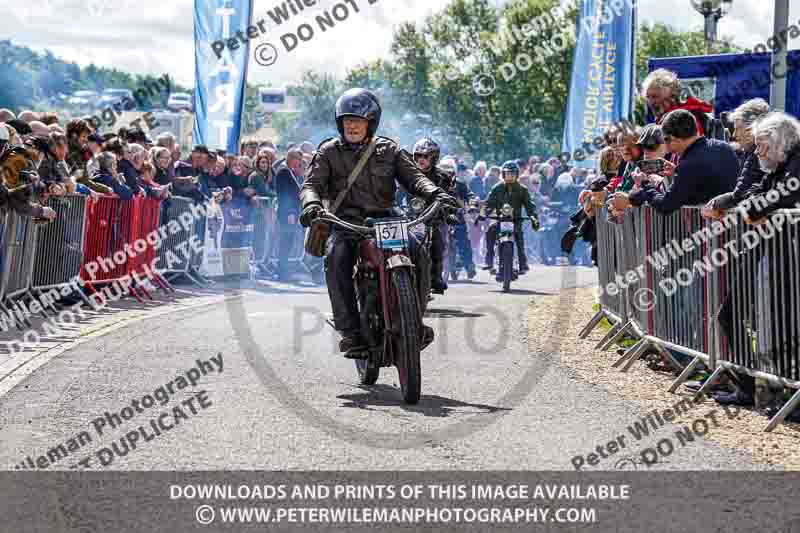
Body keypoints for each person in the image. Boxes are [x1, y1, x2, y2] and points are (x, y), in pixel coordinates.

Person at [298, 88, 457, 357]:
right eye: (347, 120)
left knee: (419, 248)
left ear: (371, 123)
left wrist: (435, 193)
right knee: (336, 256)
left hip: (387, 219)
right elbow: (310, 185)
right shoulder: (328, 152)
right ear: (340, 122)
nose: (352, 125)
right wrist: (311, 204)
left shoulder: (389, 149)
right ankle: (351, 332)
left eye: (358, 121)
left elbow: (415, 178)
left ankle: (413, 323)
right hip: (346, 222)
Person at [613, 109, 738, 214]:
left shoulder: (689, 164)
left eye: (665, 141)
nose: (667, 148)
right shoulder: (723, 147)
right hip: (733, 230)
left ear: (673, 138)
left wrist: (645, 183)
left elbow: (665, 205)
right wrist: (677, 171)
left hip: (709, 233)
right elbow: (702, 183)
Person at [482, 160, 539, 276]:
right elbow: (488, 203)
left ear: (517, 174)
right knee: (490, 232)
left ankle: (523, 264)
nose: (510, 175)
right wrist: (483, 213)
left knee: (519, 239)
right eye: (507, 173)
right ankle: (489, 261)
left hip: (515, 220)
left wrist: (533, 217)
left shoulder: (522, 189)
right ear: (503, 174)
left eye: (513, 173)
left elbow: (529, 205)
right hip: (500, 220)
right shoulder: (497, 188)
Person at [412, 137, 452, 294]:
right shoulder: (408, 174)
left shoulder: (443, 177)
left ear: (433, 158)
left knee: (438, 243)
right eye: (418, 156)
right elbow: (396, 193)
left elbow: (451, 196)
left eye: (425, 156)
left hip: (434, 218)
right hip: (411, 218)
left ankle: (436, 277)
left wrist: (451, 211)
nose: (421, 159)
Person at [274, 149, 304, 282]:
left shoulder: (289, 171)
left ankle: (284, 271)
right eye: (298, 158)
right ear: (292, 158)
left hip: (291, 212)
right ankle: (283, 272)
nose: (300, 162)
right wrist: (291, 212)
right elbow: (285, 195)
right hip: (287, 212)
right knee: (285, 242)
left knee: (288, 242)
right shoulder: (284, 171)